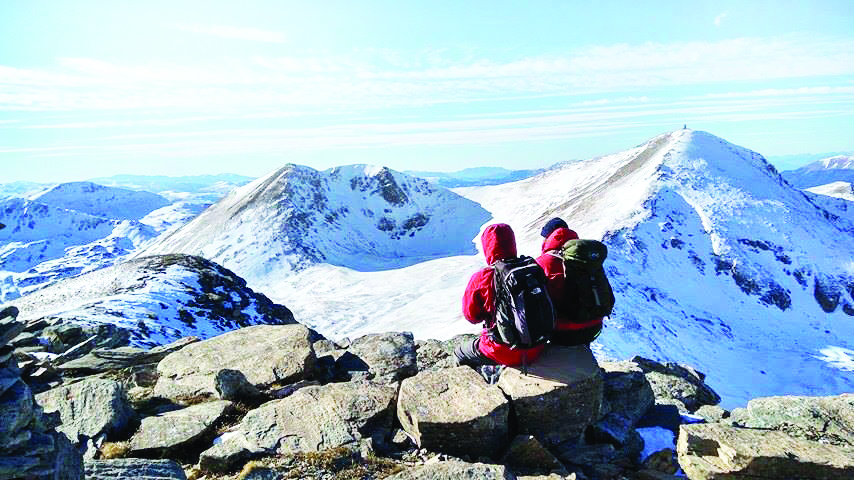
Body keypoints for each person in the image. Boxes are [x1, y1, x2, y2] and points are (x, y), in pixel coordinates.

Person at [455, 223, 546, 368]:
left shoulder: (482, 277)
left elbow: (471, 316)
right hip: (538, 346)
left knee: (459, 352)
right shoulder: (530, 268)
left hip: (503, 350)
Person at [536, 219, 604, 346]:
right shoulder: (587, 258)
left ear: (547, 239)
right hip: (594, 328)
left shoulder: (541, 263)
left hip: (560, 333)